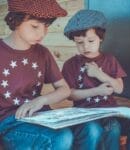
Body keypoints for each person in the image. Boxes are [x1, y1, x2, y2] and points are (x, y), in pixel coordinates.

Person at [62, 9, 130, 150]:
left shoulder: (109, 60)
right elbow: (70, 94)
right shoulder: (71, 64)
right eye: (79, 43)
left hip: (111, 111)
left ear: (100, 38)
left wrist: (99, 74)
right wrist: (97, 91)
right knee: (112, 127)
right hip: (85, 114)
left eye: (90, 41)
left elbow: (119, 88)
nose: (85, 47)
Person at [0, 0, 74, 149]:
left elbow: (64, 89)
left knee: (87, 130)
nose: (42, 33)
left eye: (46, 26)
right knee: (62, 137)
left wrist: (41, 100)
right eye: (35, 26)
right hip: (9, 122)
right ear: (16, 20)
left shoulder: (43, 53)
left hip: (42, 118)